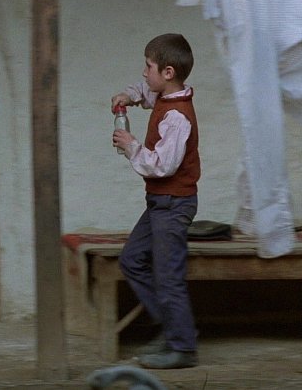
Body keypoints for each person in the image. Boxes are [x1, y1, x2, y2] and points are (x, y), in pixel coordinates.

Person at [110, 33, 200, 370]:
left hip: (173, 204)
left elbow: (162, 166)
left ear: (167, 72)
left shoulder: (177, 116)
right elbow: (146, 92)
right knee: (133, 260)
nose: (144, 72)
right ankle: (175, 328)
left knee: (168, 277)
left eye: (149, 66)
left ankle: (183, 347)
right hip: (161, 202)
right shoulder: (166, 95)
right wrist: (128, 96)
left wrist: (131, 145)